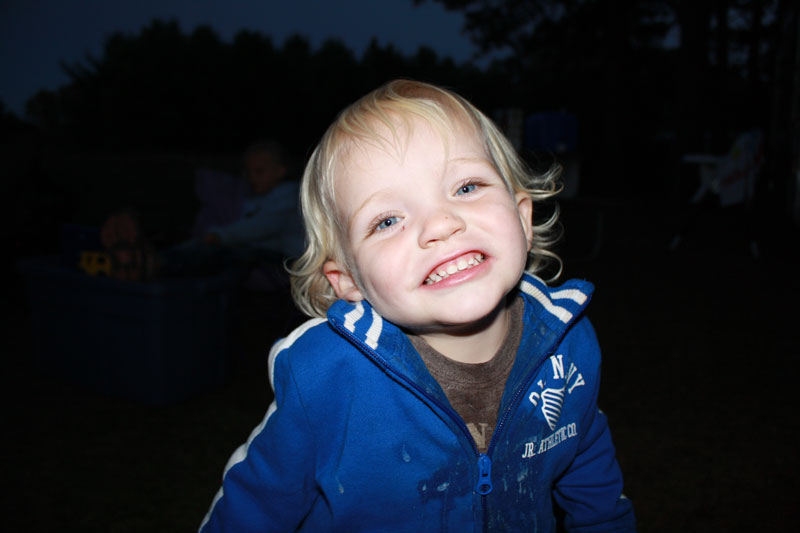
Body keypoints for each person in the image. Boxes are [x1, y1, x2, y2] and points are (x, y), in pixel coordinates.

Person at [199, 80, 636, 532]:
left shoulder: (567, 345)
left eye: (467, 187)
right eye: (387, 220)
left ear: (522, 218)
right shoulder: (325, 380)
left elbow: (595, 486)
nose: (442, 224)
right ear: (347, 280)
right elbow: (249, 511)